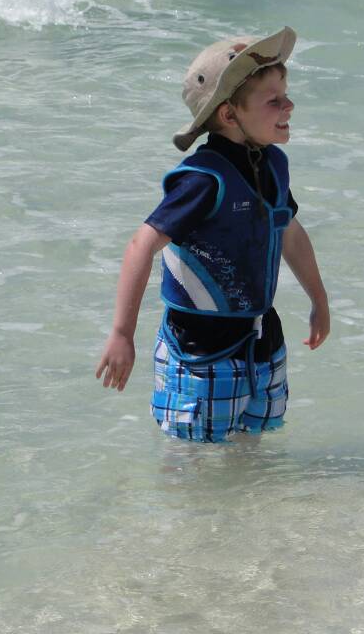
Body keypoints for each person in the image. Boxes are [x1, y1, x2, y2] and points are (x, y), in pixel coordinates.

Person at [94, 26, 330, 443]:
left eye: (286, 94)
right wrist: (121, 334)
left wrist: (319, 300)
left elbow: (289, 231)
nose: (289, 104)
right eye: (273, 100)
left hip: (261, 341)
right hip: (199, 351)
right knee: (190, 462)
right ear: (228, 115)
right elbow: (141, 244)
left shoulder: (273, 166)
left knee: (249, 453)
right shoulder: (204, 180)